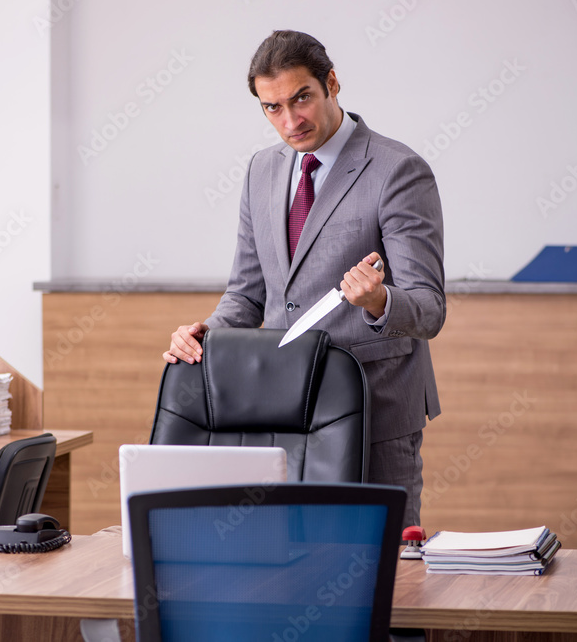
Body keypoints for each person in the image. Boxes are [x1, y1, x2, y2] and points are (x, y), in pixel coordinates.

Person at [163, 30, 445, 528]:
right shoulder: (262, 170)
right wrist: (206, 332)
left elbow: (428, 307)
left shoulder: (398, 170)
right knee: (288, 562)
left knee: (379, 577)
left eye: (301, 99)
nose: (290, 121)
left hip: (374, 410)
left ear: (331, 83)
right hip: (286, 409)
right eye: (272, 108)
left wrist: (379, 300)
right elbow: (248, 292)